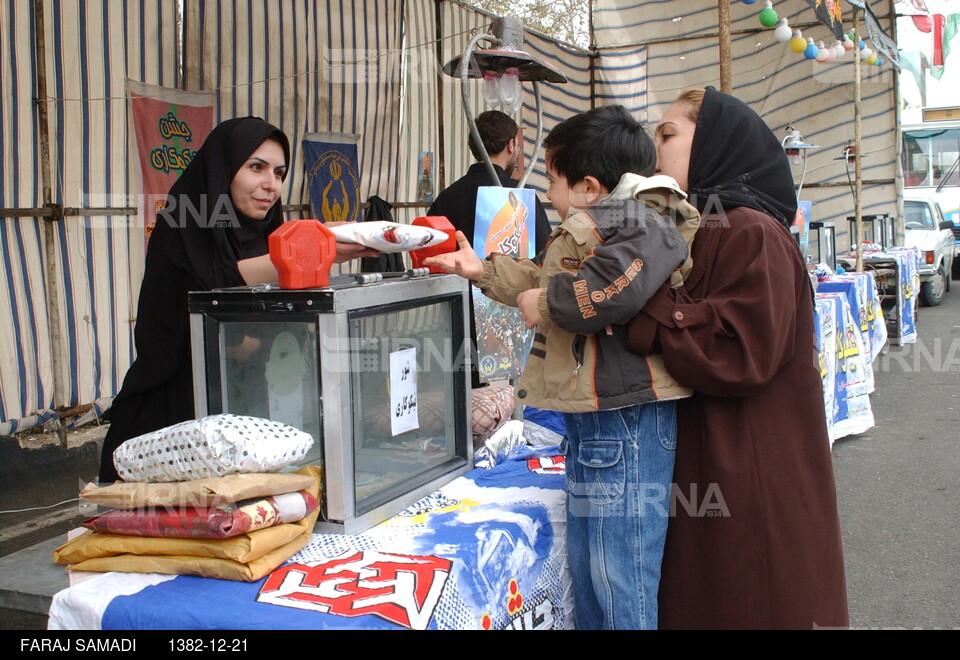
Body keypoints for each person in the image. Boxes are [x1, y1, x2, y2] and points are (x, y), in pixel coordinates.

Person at [425, 105, 701, 629]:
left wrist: (548, 305)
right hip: (596, 418)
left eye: (552, 180)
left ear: (590, 186)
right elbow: (543, 275)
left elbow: (608, 292)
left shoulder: (646, 223)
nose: (546, 194)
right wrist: (481, 269)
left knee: (620, 573)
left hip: (627, 419)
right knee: (591, 565)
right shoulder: (599, 227)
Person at [626, 87, 849, 629]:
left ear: (716, 142)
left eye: (669, 133)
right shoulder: (700, 226)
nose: (655, 149)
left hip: (749, 462)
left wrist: (640, 303)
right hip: (717, 457)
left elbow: (739, 351)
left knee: (750, 594)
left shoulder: (749, 229)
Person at [98, 117, 373, 483]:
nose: (270, 185)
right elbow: (214, 293)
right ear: (222, 168)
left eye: (279, 173)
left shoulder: (269, 231)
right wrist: (307, 248)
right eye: (255, 167)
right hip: (170, 426)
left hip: (244, 415)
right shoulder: (183, 221)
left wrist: (313, 248)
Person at [427, 110, 551, 255]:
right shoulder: (521, 195)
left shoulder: (446, 197)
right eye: (517, 146)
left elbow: (429, 250)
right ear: (511, 145)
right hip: (511, 277)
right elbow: (546, 253)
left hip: (454, 277)